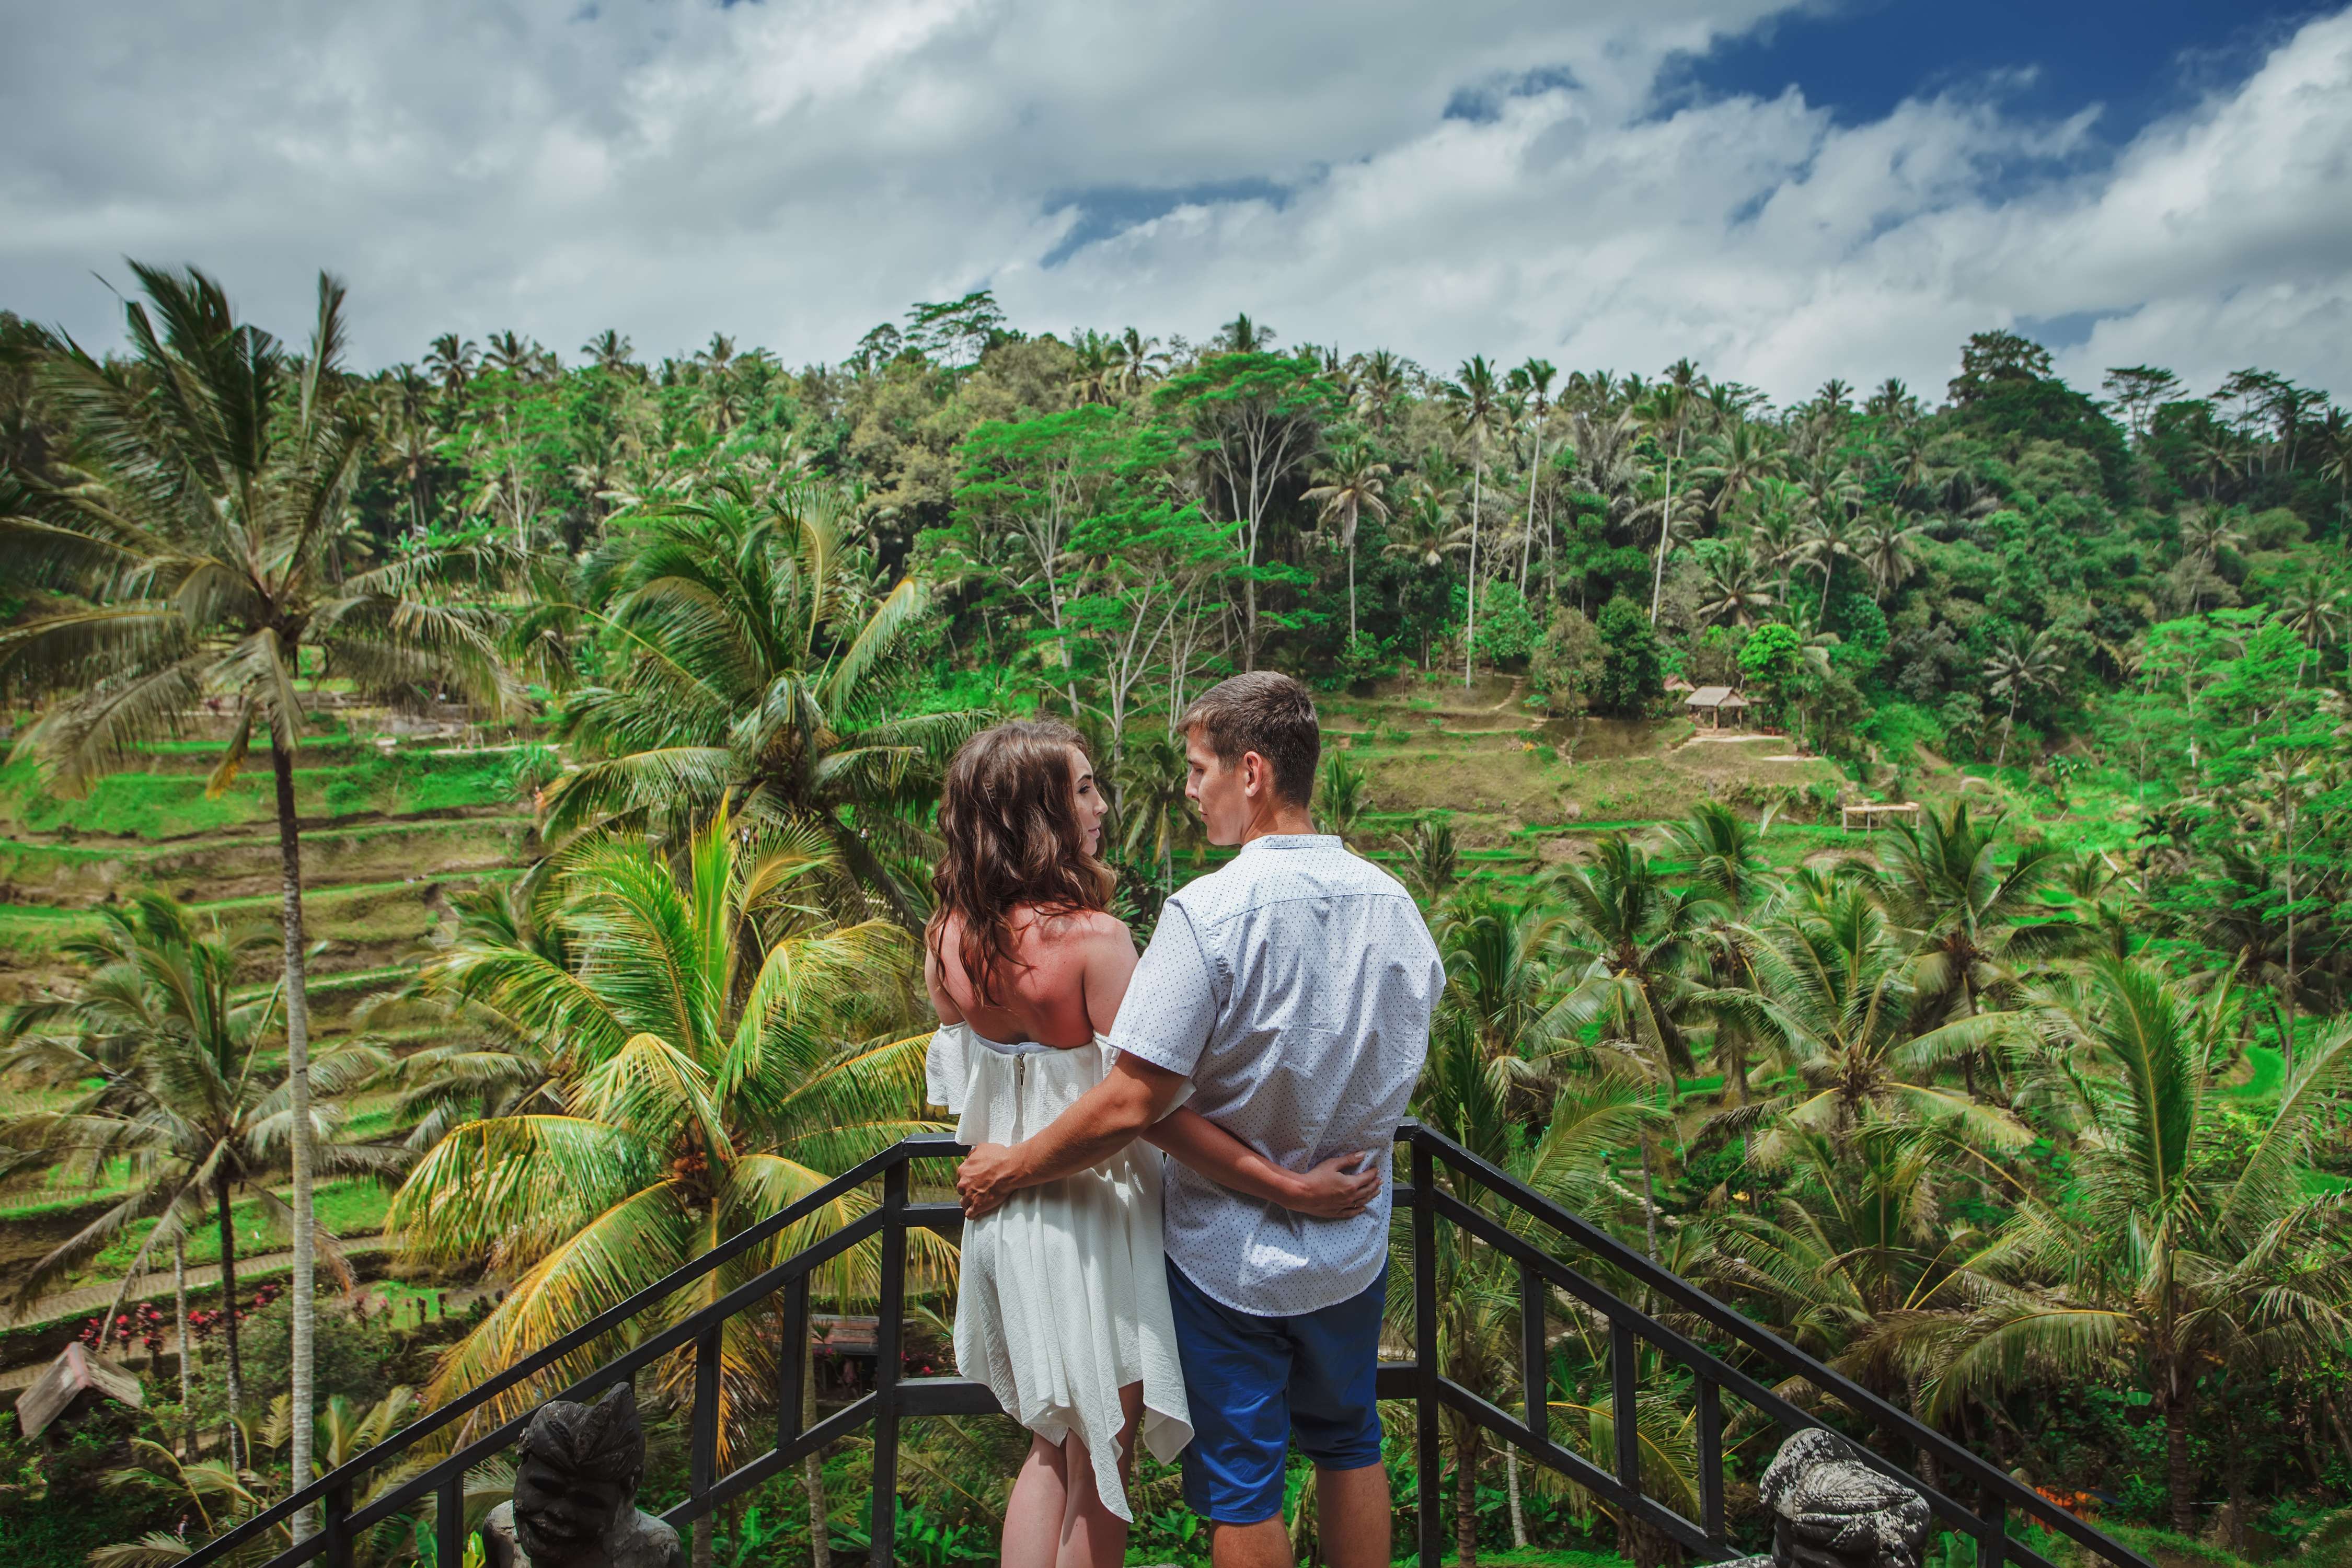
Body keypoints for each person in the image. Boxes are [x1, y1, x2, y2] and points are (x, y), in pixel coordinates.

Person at [957, 675, 1444, 1568]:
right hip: (1351, 1237)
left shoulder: (1209, 914)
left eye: (1197, 768)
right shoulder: (1398, 910)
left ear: (1251, 772)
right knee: (1351, 1442)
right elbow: (1400, 1068)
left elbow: (1136, 1098)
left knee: (1243, 1482)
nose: (1186, 789)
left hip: (1228, 1256)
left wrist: (1016, 1165)